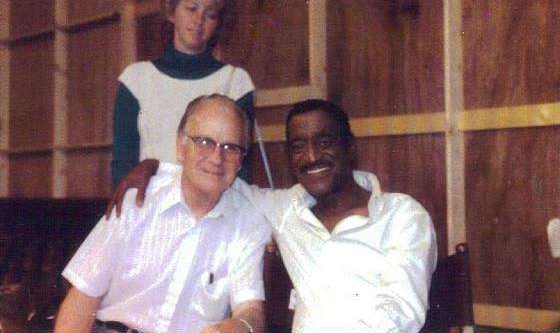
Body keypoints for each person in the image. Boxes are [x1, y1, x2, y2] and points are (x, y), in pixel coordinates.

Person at [110, 99, 438, 333]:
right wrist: (155, 167)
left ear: (350, 146)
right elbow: (216, 174)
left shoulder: (402, 215)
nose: (311, 156)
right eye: (298, 146)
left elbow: (402, 312)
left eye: (324, 142)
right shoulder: (285, 209)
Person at [55, 95, 270, 333]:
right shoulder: (138, 199)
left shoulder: (248, 221)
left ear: (241, 161)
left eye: (230, 147)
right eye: (204, 142)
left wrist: (237, 327)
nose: (217, 158)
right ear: (180, 147)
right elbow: (82, 299)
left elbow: (250, 311)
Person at [111, 0, 255, 189]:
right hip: (150, 206)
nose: (199, 20)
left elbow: (241, 169)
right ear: (171, 12)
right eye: (191, 8)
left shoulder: (236, 82)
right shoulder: (136, 79)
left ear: (219, 24)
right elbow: (123, 166)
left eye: (210, 15)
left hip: (214, 206)